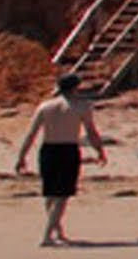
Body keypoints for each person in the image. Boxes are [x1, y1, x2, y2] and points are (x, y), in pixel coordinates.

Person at [12, 74, 109, 247]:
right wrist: (100, 150)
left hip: (48, 150)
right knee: (62, 195)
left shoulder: (45, 106)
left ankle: (57, 231)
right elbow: (91, 132)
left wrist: (21, 156)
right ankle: (47, 235)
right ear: (75, 88)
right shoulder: (81, 107)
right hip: (68, 150)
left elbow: (31, 134)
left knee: (51, 193)